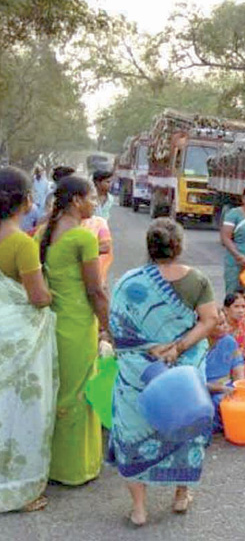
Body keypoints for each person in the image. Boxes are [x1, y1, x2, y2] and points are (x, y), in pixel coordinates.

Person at [108, 218, 218, 526]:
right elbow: (209, 320)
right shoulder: (197, 280)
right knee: (188, 429)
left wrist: (150, 347)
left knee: (131, 431)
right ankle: (181, 496)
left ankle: (139, 509)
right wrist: (179, 348)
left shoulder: (129, 282)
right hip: (184, 374)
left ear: (149, 247)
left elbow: (117, 330)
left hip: (139, 374)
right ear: (180, 246)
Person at [36, 175, 108, 486]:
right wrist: (109, 327)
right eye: (91, 197)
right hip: (78, 325)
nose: (95, 202)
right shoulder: (83, 238)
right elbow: (96, 291)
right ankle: (75, 469)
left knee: (61, 393)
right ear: (77, 200)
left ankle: (53, 464)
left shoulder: (44, 232)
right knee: (79, 395)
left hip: (55, 323)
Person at [0, 167, 57, 513]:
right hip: (17, 338)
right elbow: (37, 297)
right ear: (25, 201)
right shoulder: (22, 244)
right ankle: (19, 488)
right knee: (20, 413)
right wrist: (53, 295)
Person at [205, 308, 245, 433]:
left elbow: (238, 364)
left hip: (229, 385)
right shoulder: (197, 346)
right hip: (207, 389)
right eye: (221, 324)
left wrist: (241, 387)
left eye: (225, 323)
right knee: (219, 401)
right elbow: (195, 382)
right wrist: (222, 389)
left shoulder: (229, 341)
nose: (226, 327)